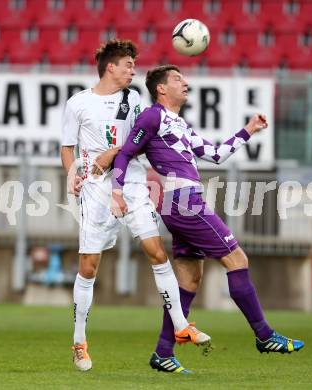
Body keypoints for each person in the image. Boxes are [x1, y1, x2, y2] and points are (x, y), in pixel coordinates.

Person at [111, 64, 305, 373]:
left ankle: (163, 352)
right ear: (161, 88)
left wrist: (249, 129)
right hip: (184, 202)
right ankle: (265, 335)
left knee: (189, 279)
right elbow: (124, 154)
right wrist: (117, 191)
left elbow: (216, 154)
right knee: (237, 259)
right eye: (177, 79)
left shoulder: (180, 124)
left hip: (182, 202)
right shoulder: (152, 116)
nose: (185, 83)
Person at [61, 43, 210, 372]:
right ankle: (79, 341)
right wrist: (72, 175)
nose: (133, 71)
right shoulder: (78, 104)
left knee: (156, 251)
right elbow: (67, 147)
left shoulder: (135, 100)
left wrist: (114, 155)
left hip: (131, 182)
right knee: (88, 266)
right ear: (110, 68)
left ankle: (181, 325)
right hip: (96, 190)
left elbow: (133, 145)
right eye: (128, 65)